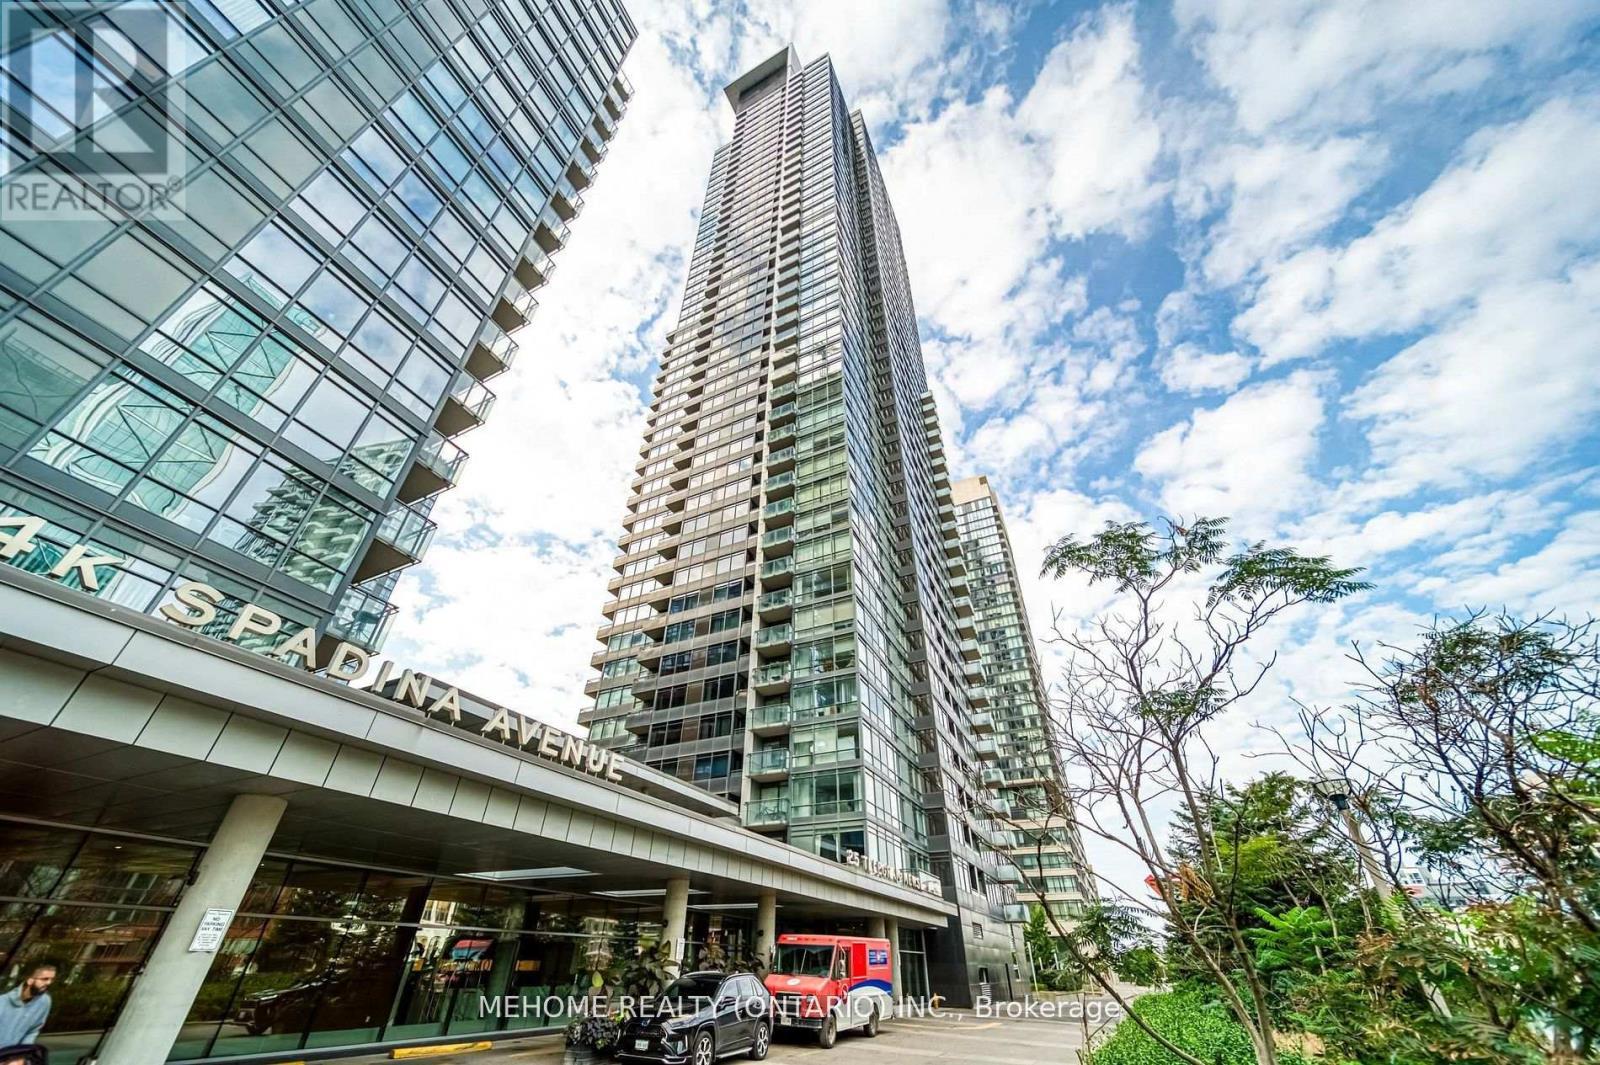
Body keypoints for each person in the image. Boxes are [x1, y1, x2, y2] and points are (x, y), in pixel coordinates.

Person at [0, 964, 55, 1063]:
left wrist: (20, 1057)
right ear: (30, 980)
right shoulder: (2, 1002)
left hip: (14, 1057)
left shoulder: (45, 1001)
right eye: (45, 979)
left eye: (52, 979)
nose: (49, 983)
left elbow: (33, 1031)